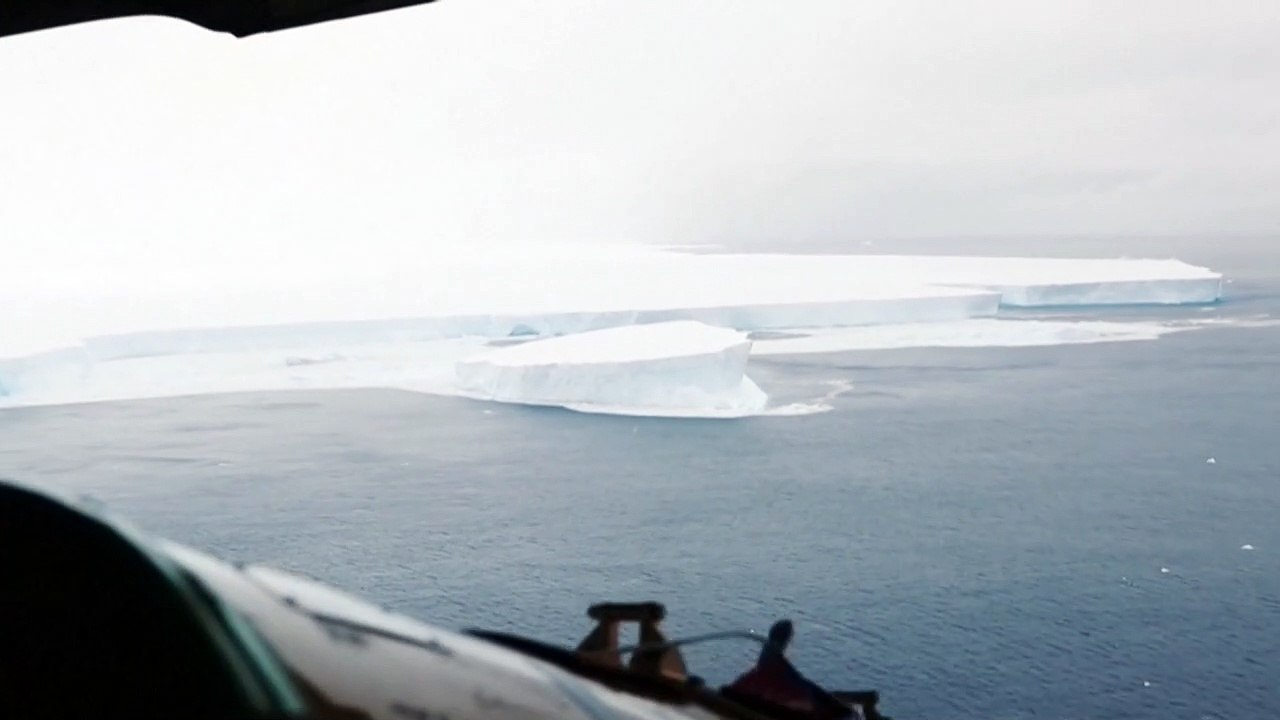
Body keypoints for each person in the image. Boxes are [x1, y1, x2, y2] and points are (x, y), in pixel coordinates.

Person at [725, 620, 853, 719]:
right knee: (825, 704)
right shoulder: (774, 664)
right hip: (773, 697)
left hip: (766, 691)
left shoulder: (769, 659)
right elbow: (795, 683)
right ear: (786, 640)